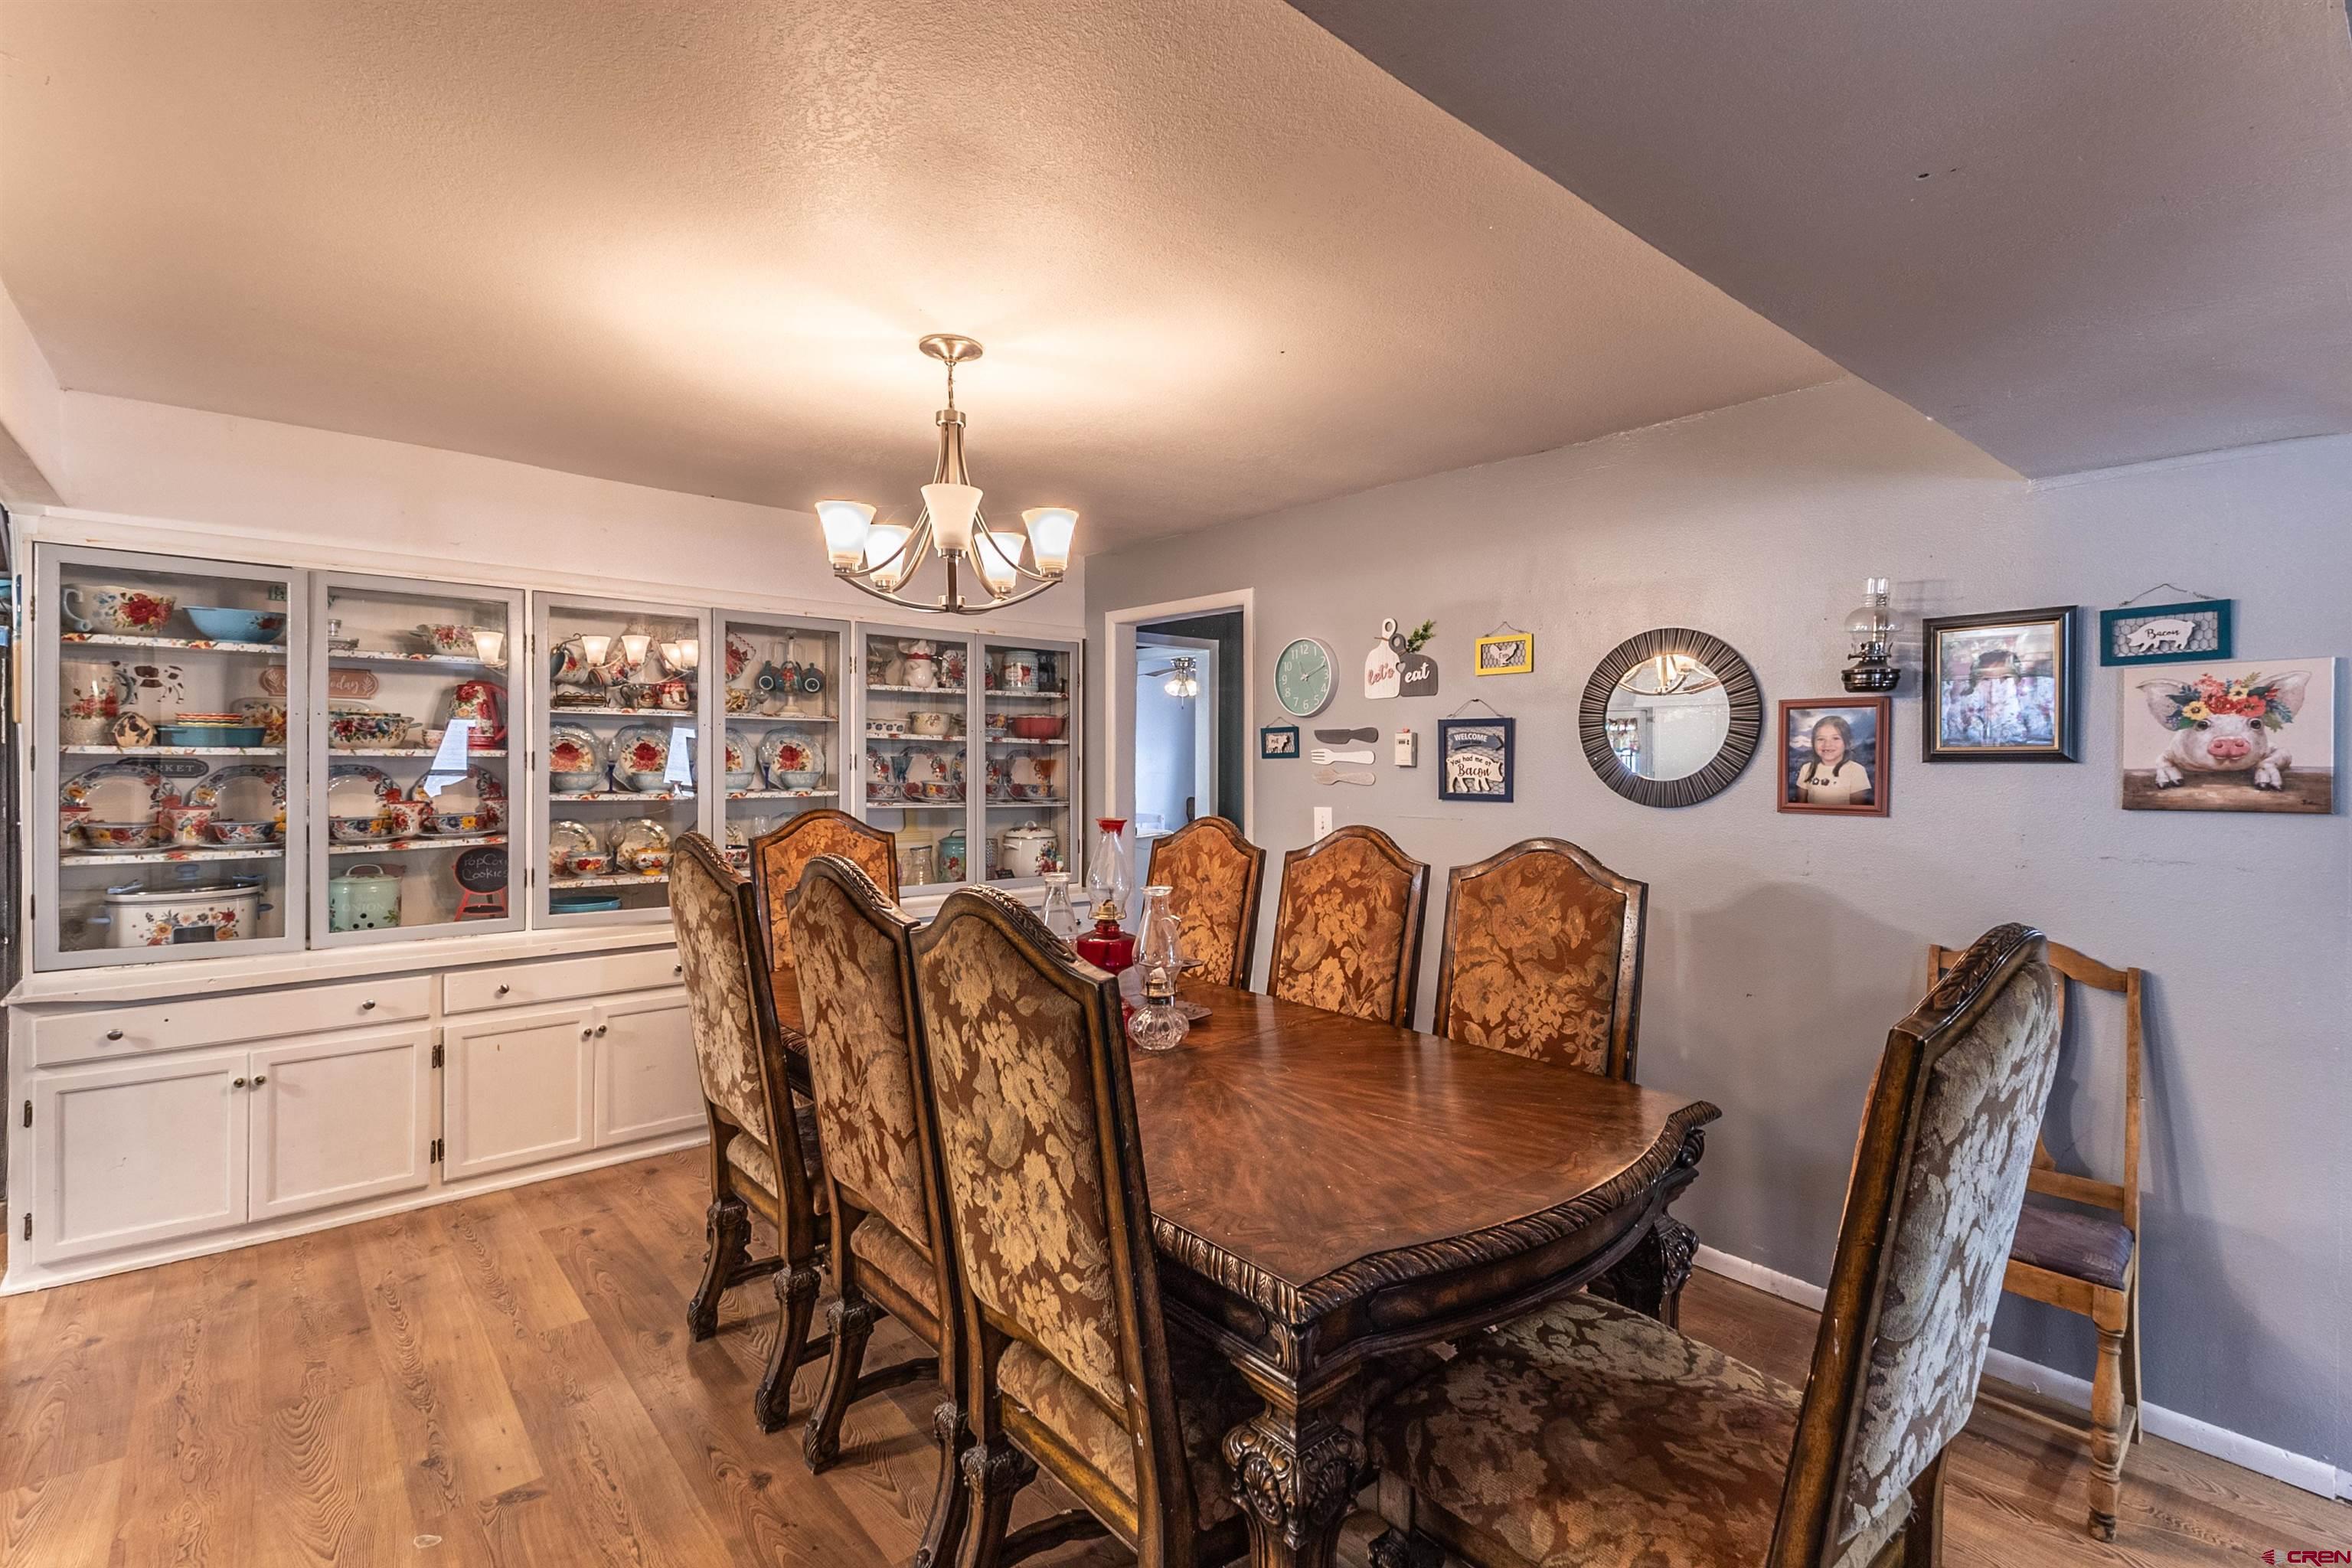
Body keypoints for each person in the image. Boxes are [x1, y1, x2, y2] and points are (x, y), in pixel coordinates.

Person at [1795, 714, 1873, 805]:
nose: (1827, 744)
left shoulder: (1857, 770)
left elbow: (1857, 808)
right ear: (1813, 743)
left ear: (1848, 743)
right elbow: (1800, 804)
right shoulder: (1806, 768)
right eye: (1821, 739)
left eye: (1836, 738)